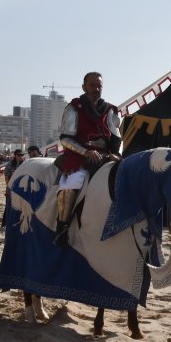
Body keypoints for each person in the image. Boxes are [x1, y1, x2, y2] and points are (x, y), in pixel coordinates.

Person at [55, 72, 121, 247]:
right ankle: (62, 226)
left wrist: (116, 154)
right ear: (84, 87)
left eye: (99, 86)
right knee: (73, 182)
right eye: (92, 85)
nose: (96, 89)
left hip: (105, 156)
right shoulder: (74, 108)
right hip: (79, 156)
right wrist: (85, 152)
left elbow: (116, 139)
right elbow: (65, 139)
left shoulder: (111, 111)